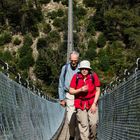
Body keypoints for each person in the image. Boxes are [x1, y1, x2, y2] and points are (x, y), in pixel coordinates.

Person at [69, 60, 101, 140]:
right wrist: (80, 90)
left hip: (92, 102)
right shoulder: (76, 77)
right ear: (80, 69)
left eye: (86, 69)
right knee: (84, 125)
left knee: (93, 123)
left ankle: (93, 138)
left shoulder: (93, 76)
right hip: (80, 103)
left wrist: (94, 103)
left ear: (89, 69)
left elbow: (98, 90)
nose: (84, 70)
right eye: (82, 68)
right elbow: (71, 90)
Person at [58, 51, 80, 140]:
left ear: (78, 59)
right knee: (71, 120)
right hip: (69, 96)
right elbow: (61, 83)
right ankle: (71, 135)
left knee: (80, 119)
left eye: (75, 60)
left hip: (80, 96)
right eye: (72, 60)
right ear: (70, 59)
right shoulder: (65, 68)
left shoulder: (81, 68)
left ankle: (78, 137)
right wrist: (62, 98)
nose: (73, 62)